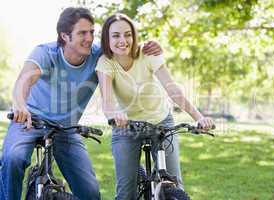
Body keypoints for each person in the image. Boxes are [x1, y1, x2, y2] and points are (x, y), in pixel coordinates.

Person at [0, 7, 161, 200]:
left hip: (66, 129)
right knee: (13, 159)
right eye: (82, 33)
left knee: (90, 193)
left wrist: (150, 46)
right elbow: (23, 81)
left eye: (92, 32)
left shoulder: (98, 56)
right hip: (29, 121)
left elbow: (123, 45)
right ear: (65, 36)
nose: (89, 38)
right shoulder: (46, 52)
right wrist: (19, 104)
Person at [96, 13, 214, 200]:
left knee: (174, 185)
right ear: (107, 39)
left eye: (128, 34)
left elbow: (172, 89)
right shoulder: (105, 62)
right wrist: (115, 115)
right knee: (127, 193)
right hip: (126, 126)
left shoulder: (147, 54)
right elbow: (107, 101)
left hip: (161, 122)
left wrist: (198, 117)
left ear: (134, 36)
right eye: (116, 35)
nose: (123, 40)